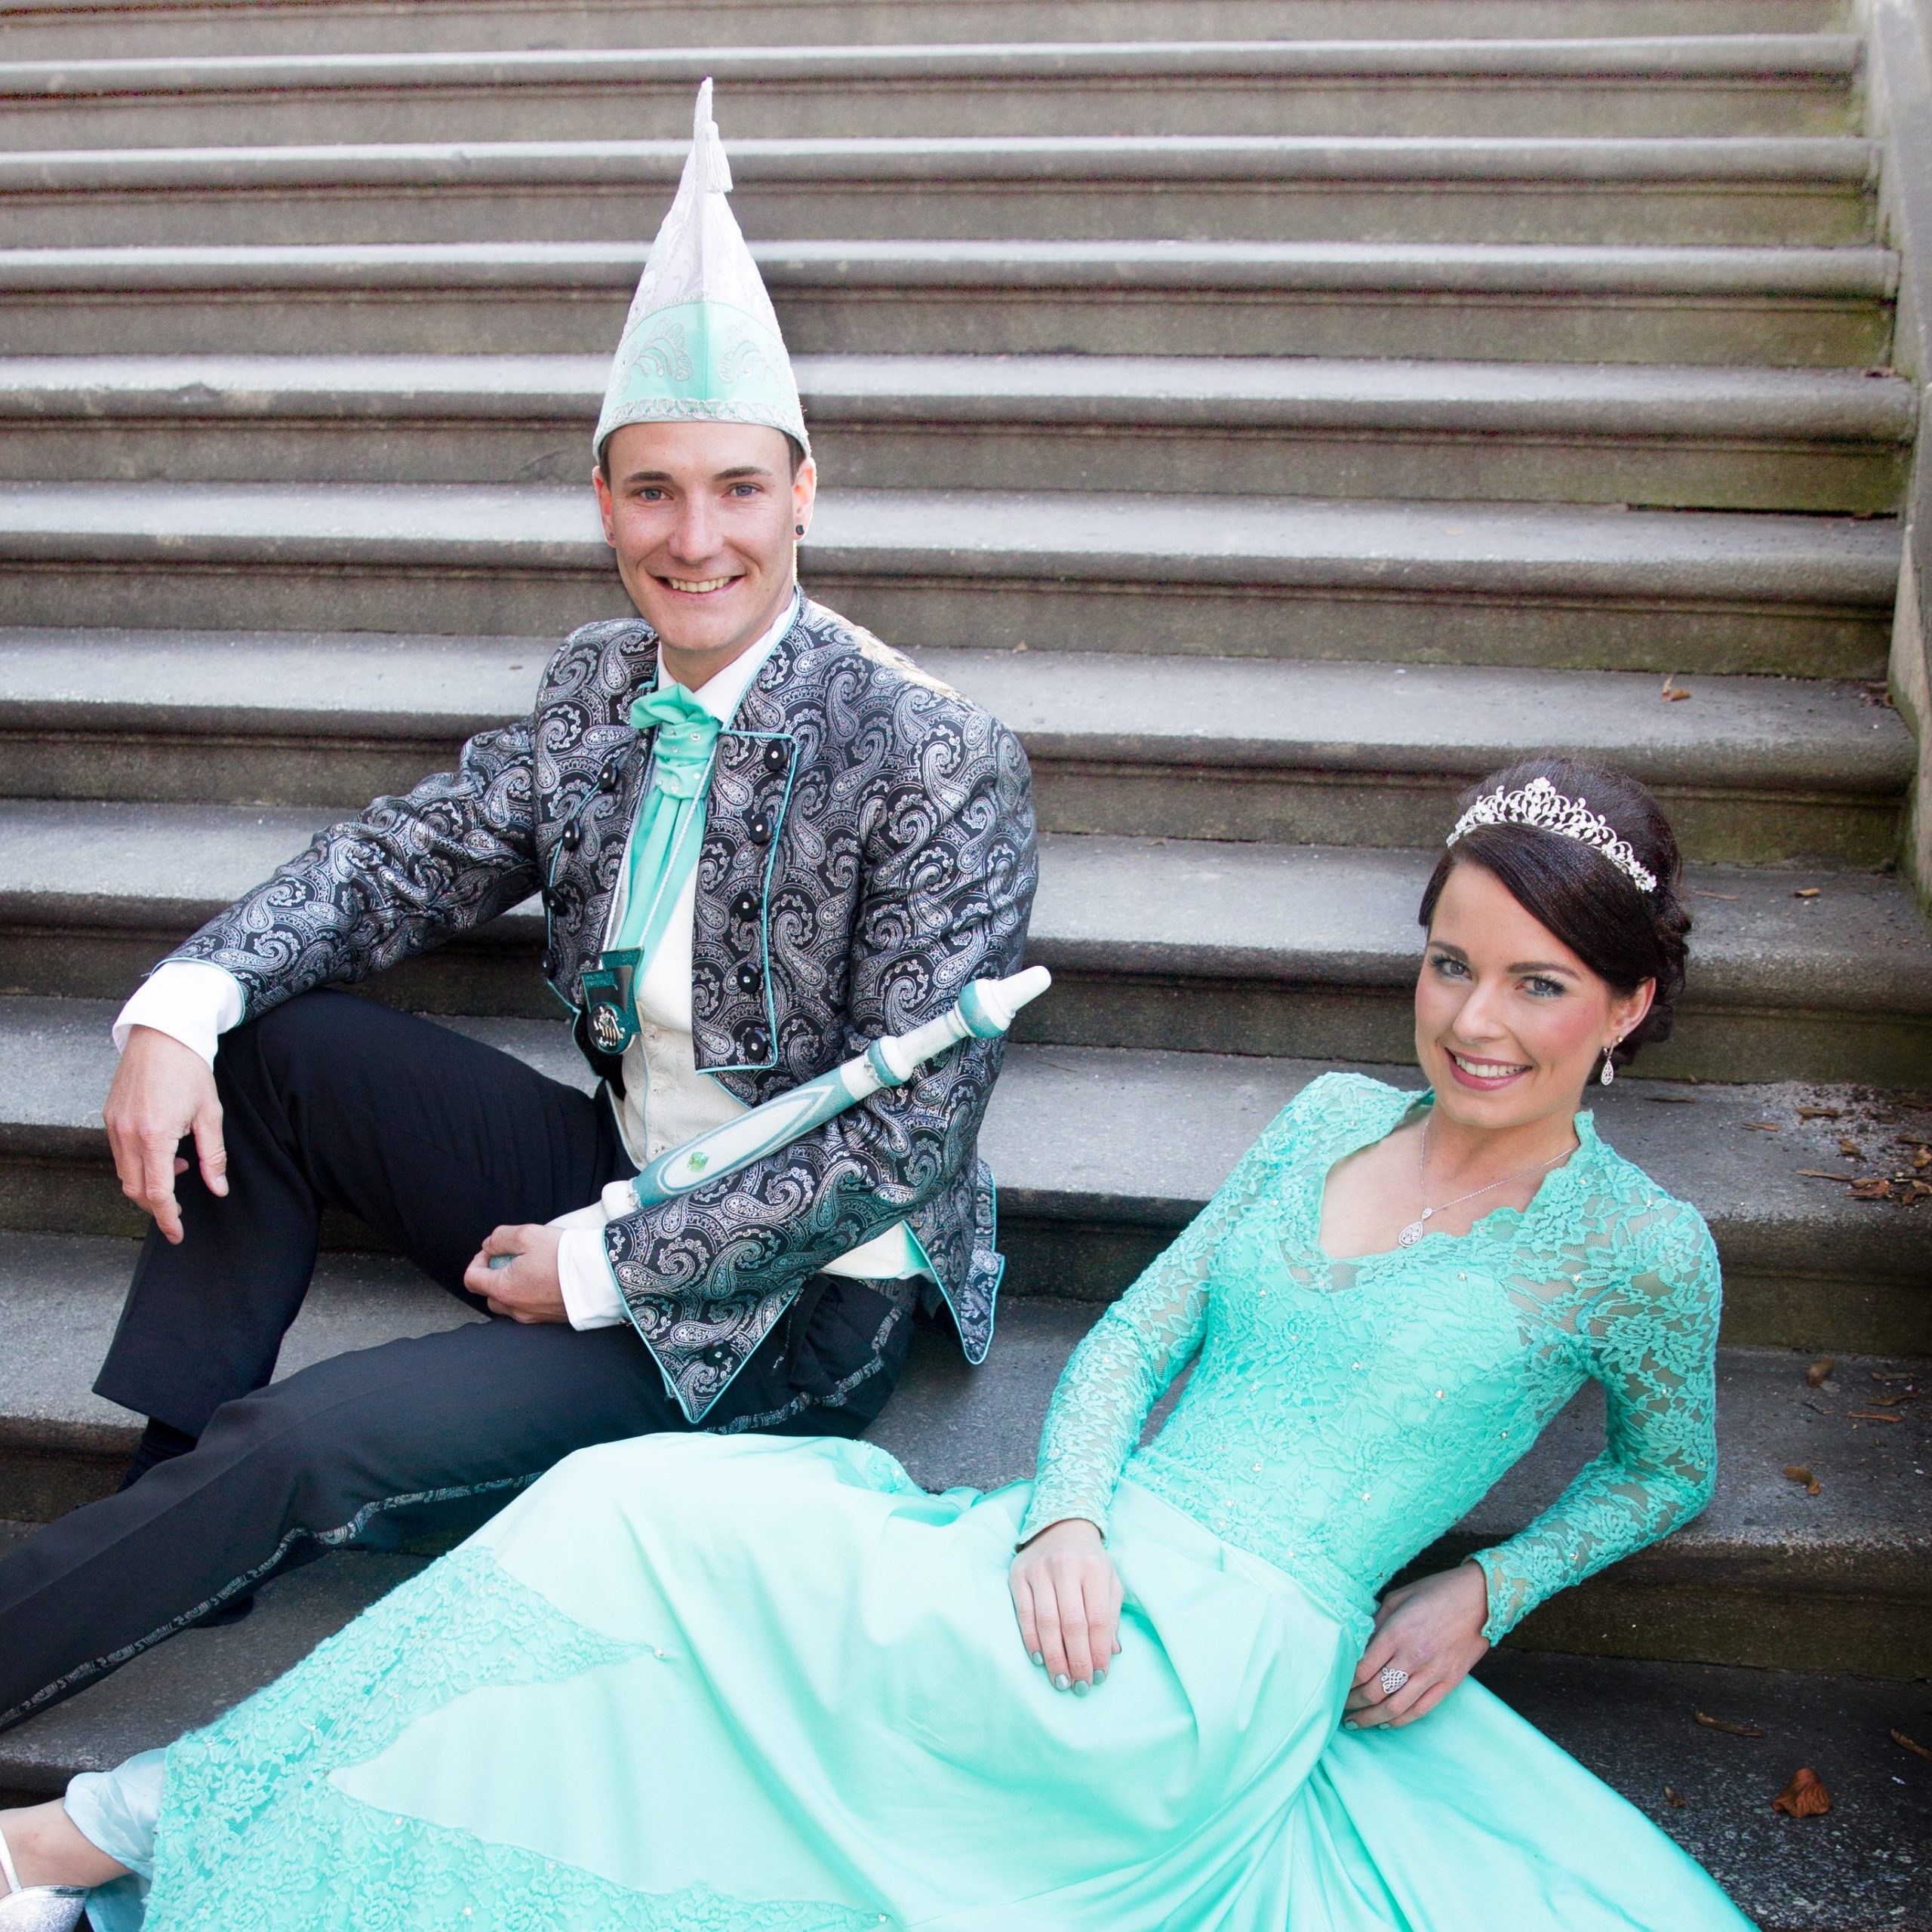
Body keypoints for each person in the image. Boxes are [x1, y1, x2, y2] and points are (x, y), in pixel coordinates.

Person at [0, 757, 1754, 1930]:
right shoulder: (1323, 1119)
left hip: (1207, 1686)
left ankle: (99, 1832)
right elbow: (1133, 1337)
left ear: (1628, 1005)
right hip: (1073, 1542)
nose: (1472, 1019)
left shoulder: (1639, 1250)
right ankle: (135, 1821)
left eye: (1535, 982)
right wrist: (1066, 1511)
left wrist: (1486, 1586)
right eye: (1447, 964)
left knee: (751, 1671)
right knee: (632, 1506)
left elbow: (1663, 1468)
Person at [0, 82, 1036, 1740]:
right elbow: (403, 861)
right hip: (623, 1161)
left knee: (309, 1440)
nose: (694, 539)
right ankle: (171, 1502)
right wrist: (181, 1000)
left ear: (804, 492)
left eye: (736, 490)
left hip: (791, 1306)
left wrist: (612, 1261)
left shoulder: (934, 752)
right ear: (602, 499)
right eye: (652, 492)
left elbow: (904, 1141)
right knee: (271, 1048)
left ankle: (138, 1552)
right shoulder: (597, 682)